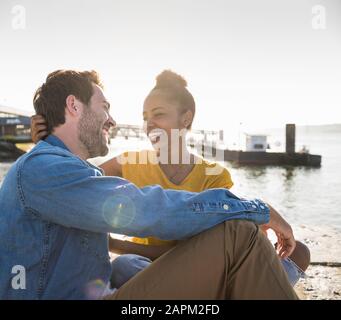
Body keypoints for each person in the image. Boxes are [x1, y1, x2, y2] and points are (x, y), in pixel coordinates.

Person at [14, 69, 298, 300]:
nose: (112, 120)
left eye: (157, 114)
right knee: (239, 235)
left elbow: (77, 186)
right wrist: (256, 209)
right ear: (74, 106)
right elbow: (154, 210)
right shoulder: (45, 169)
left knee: (257, 243)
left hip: (105, 290)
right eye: (105, 108)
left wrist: (50, 146)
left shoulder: (58, 169)